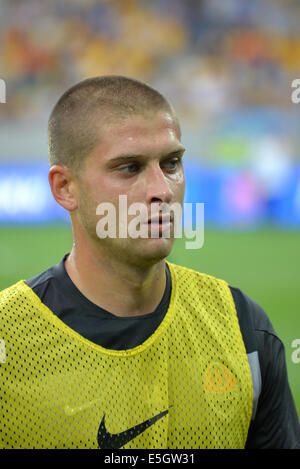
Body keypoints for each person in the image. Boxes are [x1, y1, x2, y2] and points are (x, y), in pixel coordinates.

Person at [0, 76, 299, 450]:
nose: (162, 190)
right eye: (129, 167)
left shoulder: (244, 329)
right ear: (65, 188)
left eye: (171, 163)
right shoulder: (7, 341)